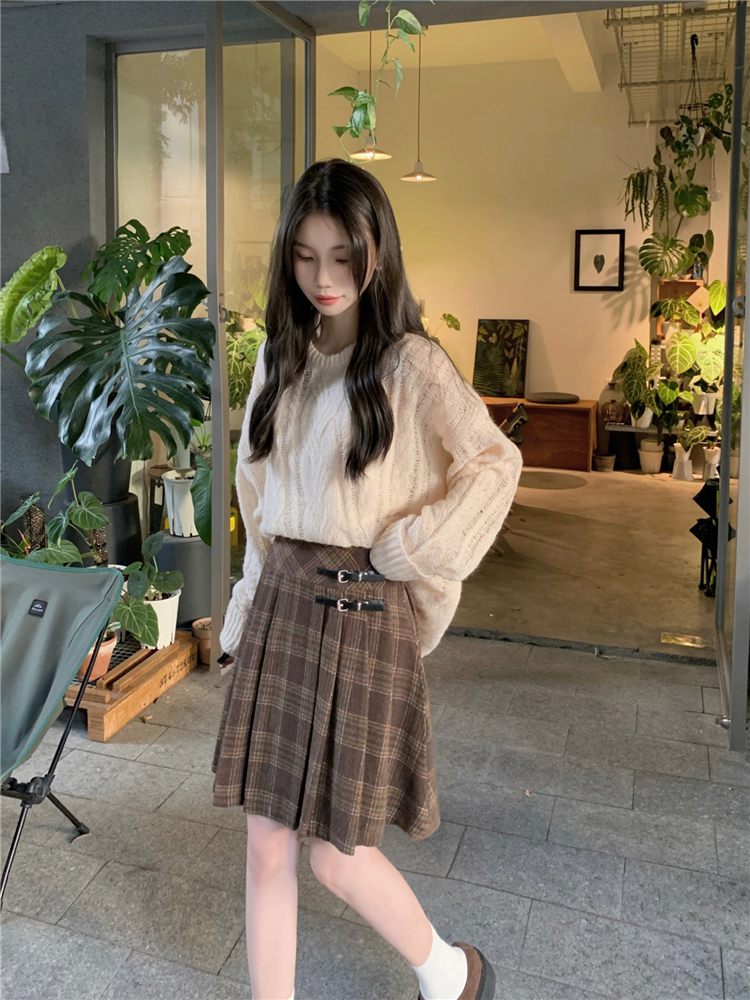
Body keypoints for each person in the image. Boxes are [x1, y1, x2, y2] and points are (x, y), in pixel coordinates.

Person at [211, 158, 522, 1000]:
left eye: (343, 256)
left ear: (377, 252)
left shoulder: (413, 365)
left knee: (337, 854)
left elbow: (495, 465)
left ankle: (449, 973)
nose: (325, 277)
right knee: (266, 844)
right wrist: (243, 612)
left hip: (364, 613)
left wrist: (411, 550)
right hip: (282, 609)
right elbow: (257, 504)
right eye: (306, 256)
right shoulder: (280, 359)